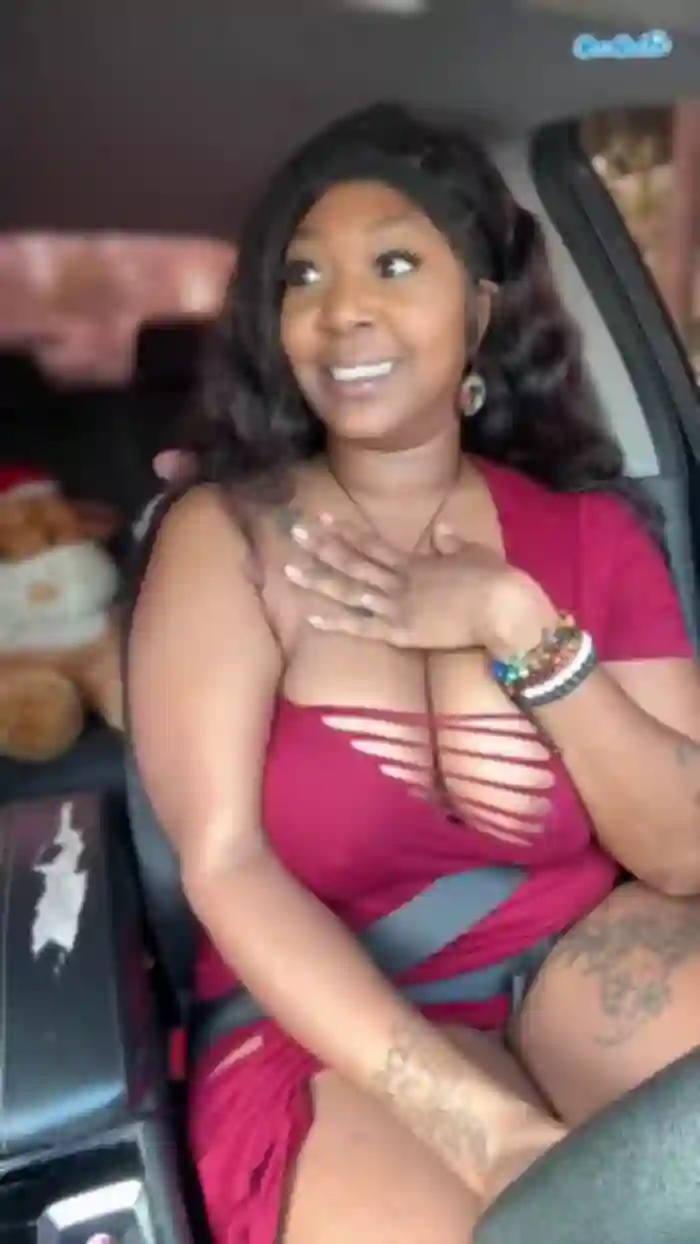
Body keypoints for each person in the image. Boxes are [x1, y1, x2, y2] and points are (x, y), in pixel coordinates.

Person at [129, 103, 700, 1244]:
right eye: (302, 276)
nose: (342, 309)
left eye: (393, 264)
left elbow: (684, 850)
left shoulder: (589, 535)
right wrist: (483, 1129)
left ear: (478, 310)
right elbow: (225, 863)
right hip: (312, 1020)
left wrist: (515, 623)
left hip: (570, 950)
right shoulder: (223, 535)